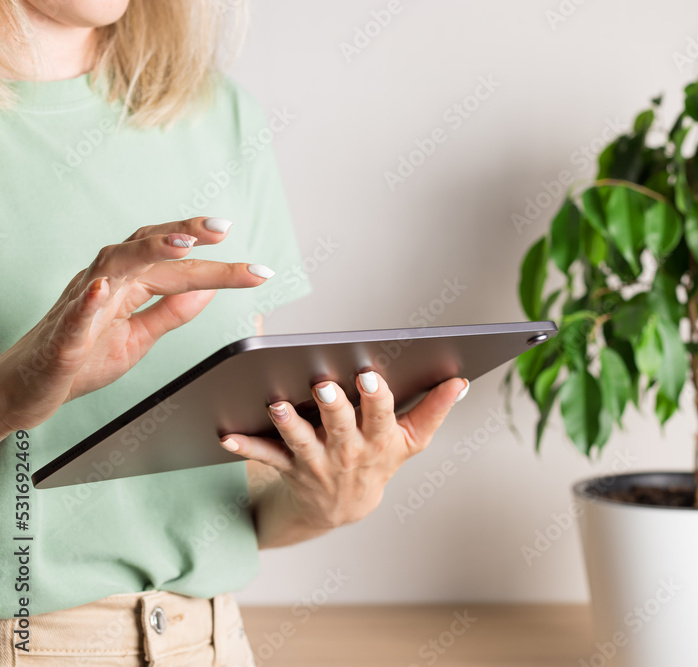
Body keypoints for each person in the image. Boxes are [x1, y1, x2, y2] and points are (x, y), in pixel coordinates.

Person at [0, 1, 469, 664]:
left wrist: (328, 495)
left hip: (212, 642)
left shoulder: (214, 113)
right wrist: (12, 394)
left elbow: (232, 495)